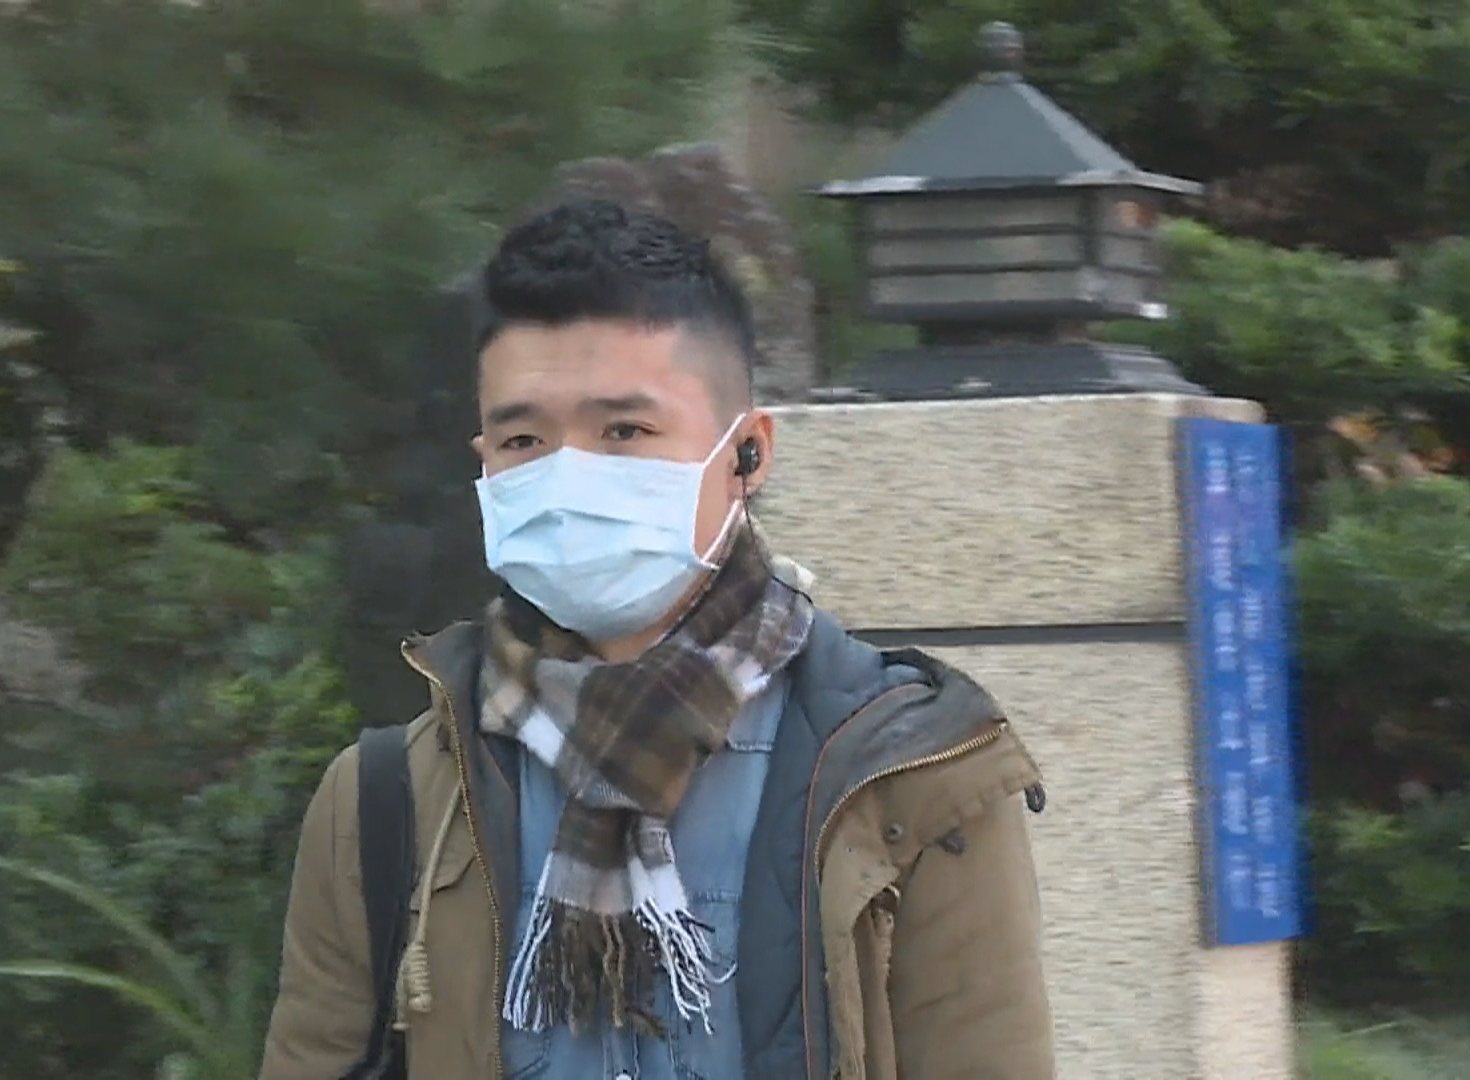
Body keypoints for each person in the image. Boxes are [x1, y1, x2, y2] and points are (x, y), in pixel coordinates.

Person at [259, 199, 1055, 1080]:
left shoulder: (912, 774)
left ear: (748, 453)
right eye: (523, 438)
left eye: (624, 431)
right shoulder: (388, 800)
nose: (568, 475)